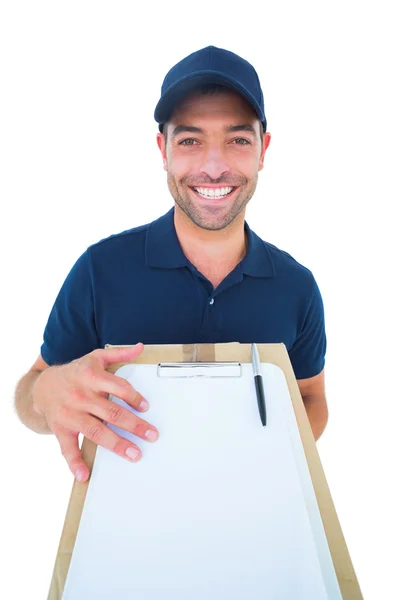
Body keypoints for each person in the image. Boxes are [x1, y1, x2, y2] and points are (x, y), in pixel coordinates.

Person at [14, 45, 328, 484]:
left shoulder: (297, 286)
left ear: (263, 150)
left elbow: (312, 397)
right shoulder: (100, 269)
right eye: (190, 140)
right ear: (163, 149)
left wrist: (265, 460)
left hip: (258, 513)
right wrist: (46, 393)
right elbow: (31, 394)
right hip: (123, 519)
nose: (214, 167)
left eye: (238, 139)